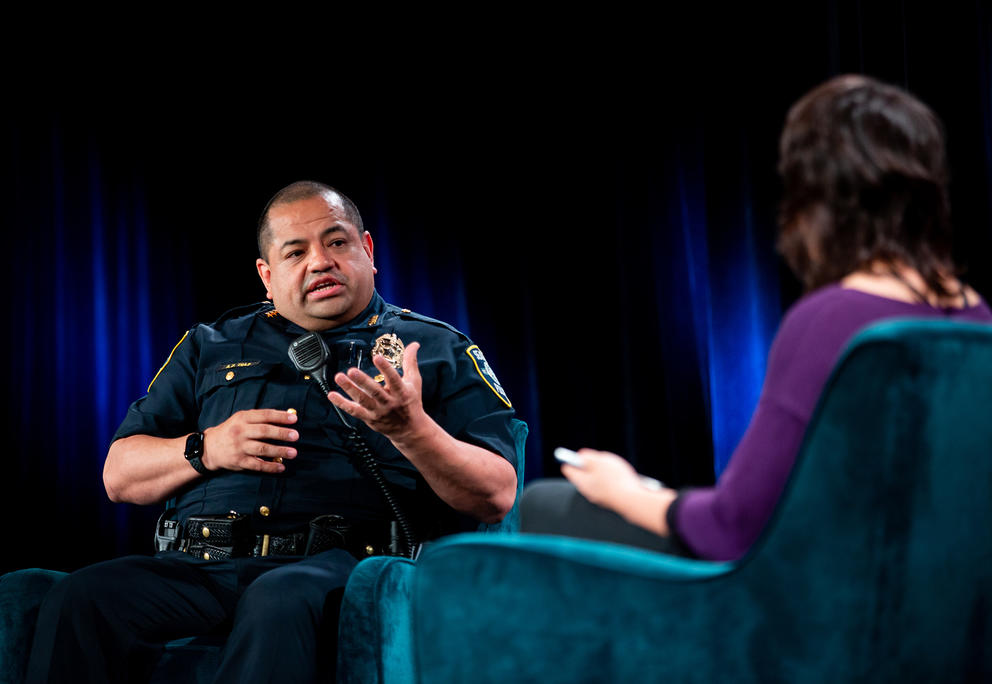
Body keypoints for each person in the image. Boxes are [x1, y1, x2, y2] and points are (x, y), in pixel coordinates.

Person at [24, 181, 518, 683]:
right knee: (80, 599)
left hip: (340, 570)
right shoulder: (209, 345)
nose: (320, 261)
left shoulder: (434, 348)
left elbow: (497, 493)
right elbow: (119, 476)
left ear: (367, 251)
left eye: (337, 242)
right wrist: (207, 448)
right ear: (267, 275)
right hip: (203, 568)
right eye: (296, 252)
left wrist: (411, 430)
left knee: (276, 599)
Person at [520, 74, 992, 561]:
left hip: (809, 599)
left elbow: (735, 526)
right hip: (926, 598)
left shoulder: (830, 319)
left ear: (817, 199)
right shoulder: (978, 318)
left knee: (545, 504)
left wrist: (622, 490)